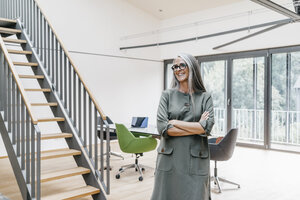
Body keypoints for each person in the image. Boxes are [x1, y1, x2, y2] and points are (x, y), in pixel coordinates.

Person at [151, 53, 214, 200]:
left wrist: (176, 122)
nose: (178, 69)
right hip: (170, 159)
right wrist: (197, 126)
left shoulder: (205, 97)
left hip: (196, 159)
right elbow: (163, 128)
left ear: (191, 67)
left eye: (182, 65)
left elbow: (207, 127)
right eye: (175, 66)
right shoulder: (167, 95)